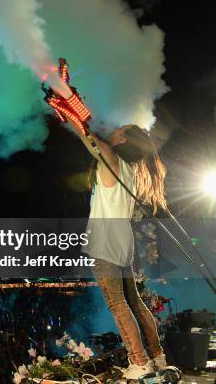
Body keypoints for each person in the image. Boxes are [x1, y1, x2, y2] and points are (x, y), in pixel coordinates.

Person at [72, 122, 168, 379]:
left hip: (106, 239)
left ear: (123, 140)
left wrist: (66, 107)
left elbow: (85, 135)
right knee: (134, 302)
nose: (113, 130)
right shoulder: (129, 169)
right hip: (123, 239)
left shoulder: (112, 160)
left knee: (117, 303)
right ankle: (157, 357)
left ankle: (139, 361)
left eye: (120, 129)